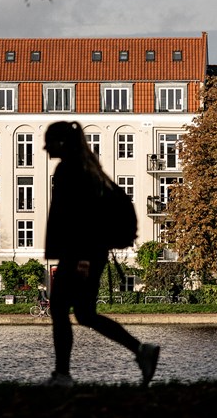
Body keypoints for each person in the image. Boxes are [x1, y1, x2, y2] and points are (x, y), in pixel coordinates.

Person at [42, 120, 160, 388]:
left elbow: (79, 218)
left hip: (80, 254)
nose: (45, 147)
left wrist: (81, 259)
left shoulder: (69, 171)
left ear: (62, 143)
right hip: (90, 252)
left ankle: (62, 375)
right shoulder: (87, 170)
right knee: (84, 313)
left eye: (49, 141)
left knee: (60, 309)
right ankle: (141, 351)